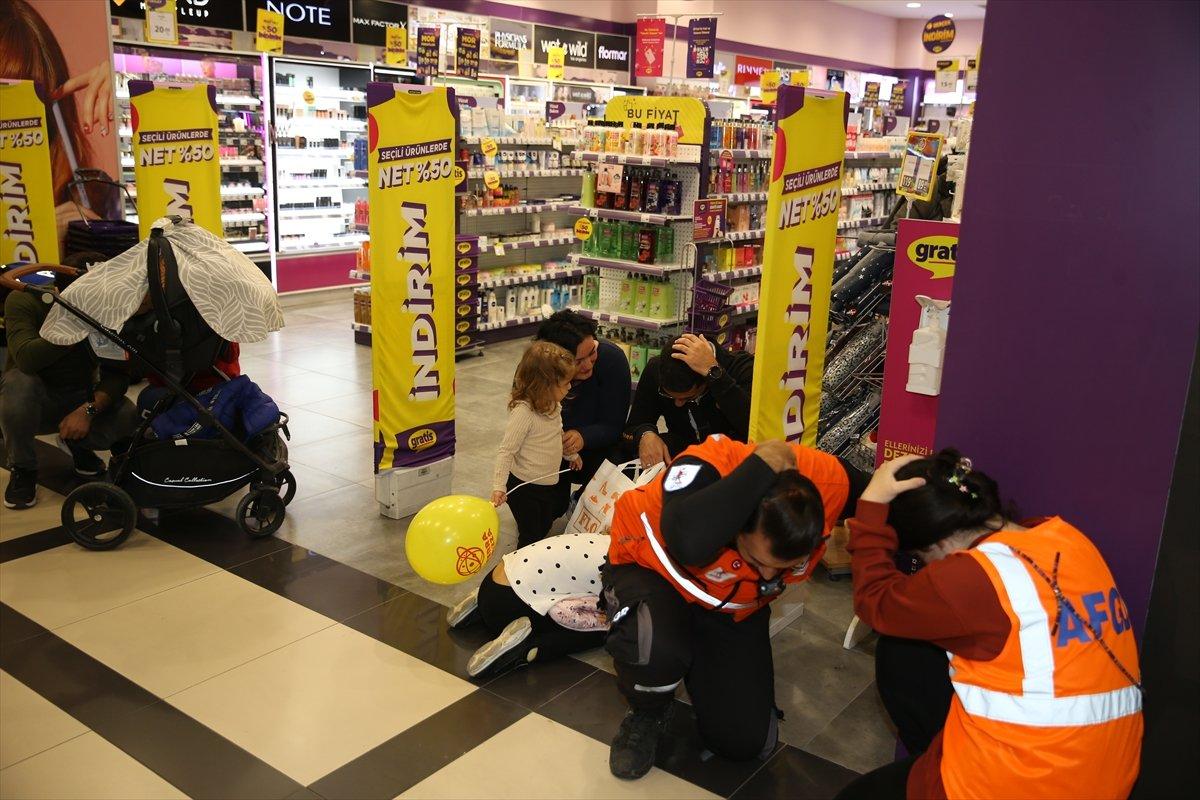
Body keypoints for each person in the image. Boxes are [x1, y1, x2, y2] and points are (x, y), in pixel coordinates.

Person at [836, 451, 1143, 800]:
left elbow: (875, 602)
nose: (927, 569)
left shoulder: (972, 578)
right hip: (1104, 777)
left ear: (938, 543)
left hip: (1019, 784)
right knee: (907, 654)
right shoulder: (1067, 537)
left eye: (922, 559)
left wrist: (871, 506)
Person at [601, 433, 869, 780]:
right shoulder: (707, 465)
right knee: (655, 645)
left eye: (782, 568)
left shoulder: (827, 481)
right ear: (736, 523)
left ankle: (695, 654)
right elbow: (688, 540)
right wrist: (762, 465)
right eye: (758, 561)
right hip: (652, 572)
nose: (769, 576)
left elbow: (892, 495)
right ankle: (648, 711)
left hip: (729, 606)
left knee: (742, 743)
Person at [1, 253, 138, 509]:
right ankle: (23, 468)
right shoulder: (24, 300)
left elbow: (118, 375)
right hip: (36, 401)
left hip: (80, 396)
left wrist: (88, 410)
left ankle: (77, 444)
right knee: (19, 383)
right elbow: (26, 359)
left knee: (128, 414)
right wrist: (73, 324)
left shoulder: (111, 309)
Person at [446, 532, 611, 679]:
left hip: (492, 583)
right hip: (509, 606)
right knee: (607, 628)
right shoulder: (619, 571)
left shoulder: (604, 539)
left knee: (561, 582)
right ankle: (526, 648)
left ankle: (478, 605)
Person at [492, 341, 580, 548]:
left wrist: (571, 455)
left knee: (543, 526)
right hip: (524, 487)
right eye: (565, 383)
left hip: (547, 483)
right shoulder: (524, 413)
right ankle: (517, 565)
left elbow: (556, 434)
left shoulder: (553, 405)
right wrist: (499, 486)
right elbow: (506, 451)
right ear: (544, 385)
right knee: (530, 536)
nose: (570, 386)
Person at [534, 311, 631, 496]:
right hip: (550, 450)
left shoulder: (612, 360)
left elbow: (614, 424)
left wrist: (583, 436)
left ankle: (582, 499)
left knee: (621, 459)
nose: (588, 365)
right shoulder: (536, 369)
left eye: (592, 352)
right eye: (578, 361)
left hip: (598, 448)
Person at [623, 333, 754, 468]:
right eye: (670, 396)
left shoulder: (743, 368)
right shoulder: (655, 369)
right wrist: (644, 435)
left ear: (706, 383)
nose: (678, 404)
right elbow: (631, 429)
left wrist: (717, 378)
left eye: (688, 398)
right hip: (685, 458)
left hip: (735, 460)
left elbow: (754, 432)